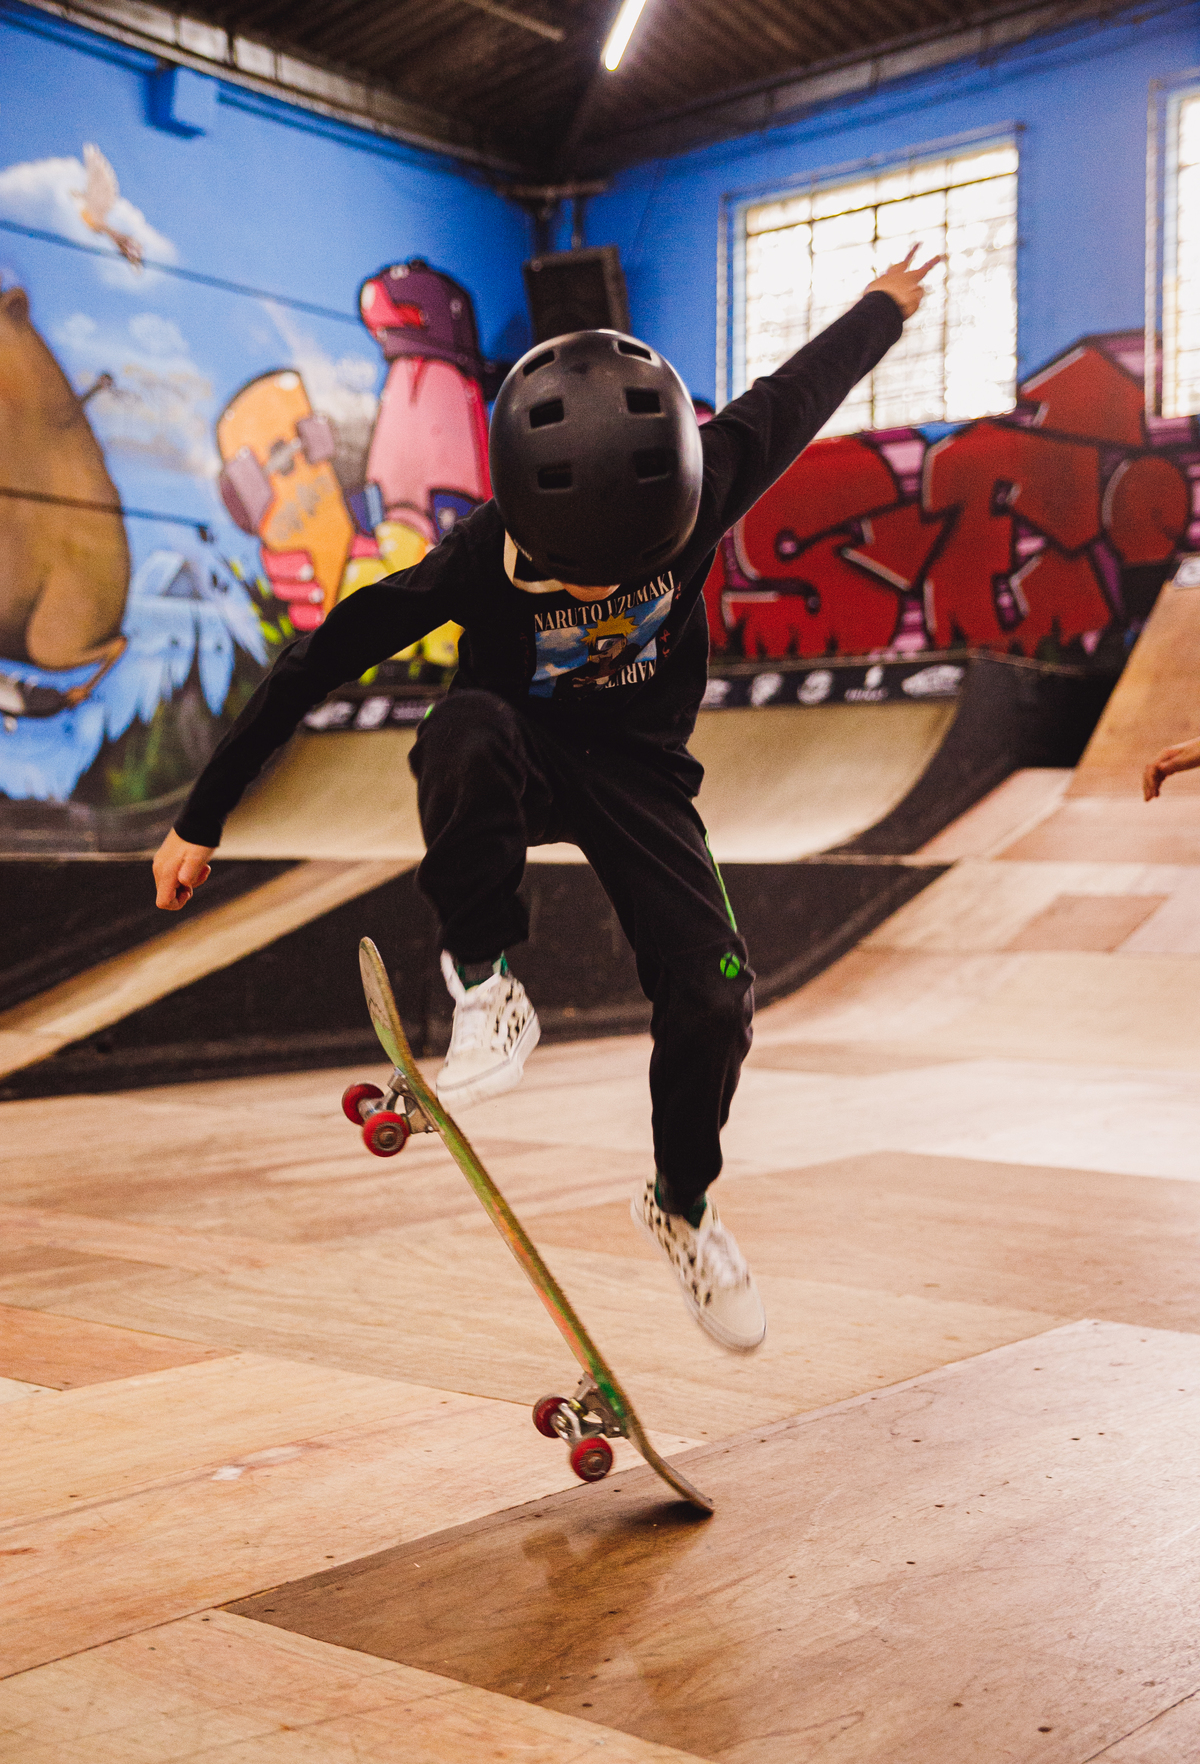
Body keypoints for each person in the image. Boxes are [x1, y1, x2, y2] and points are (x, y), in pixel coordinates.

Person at [153, 246, 939, 1353]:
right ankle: (483, 981)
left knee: (717, 998)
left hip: (641, 773)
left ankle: (682, 1202)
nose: (606, 592)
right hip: (518, 748)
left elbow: (801, 391)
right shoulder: (473, 557)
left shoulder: (707, 477)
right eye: (581, 575)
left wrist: (884, 306)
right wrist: (202, 814)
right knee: (460, 729)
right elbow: (317, 659)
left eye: (634, 573)